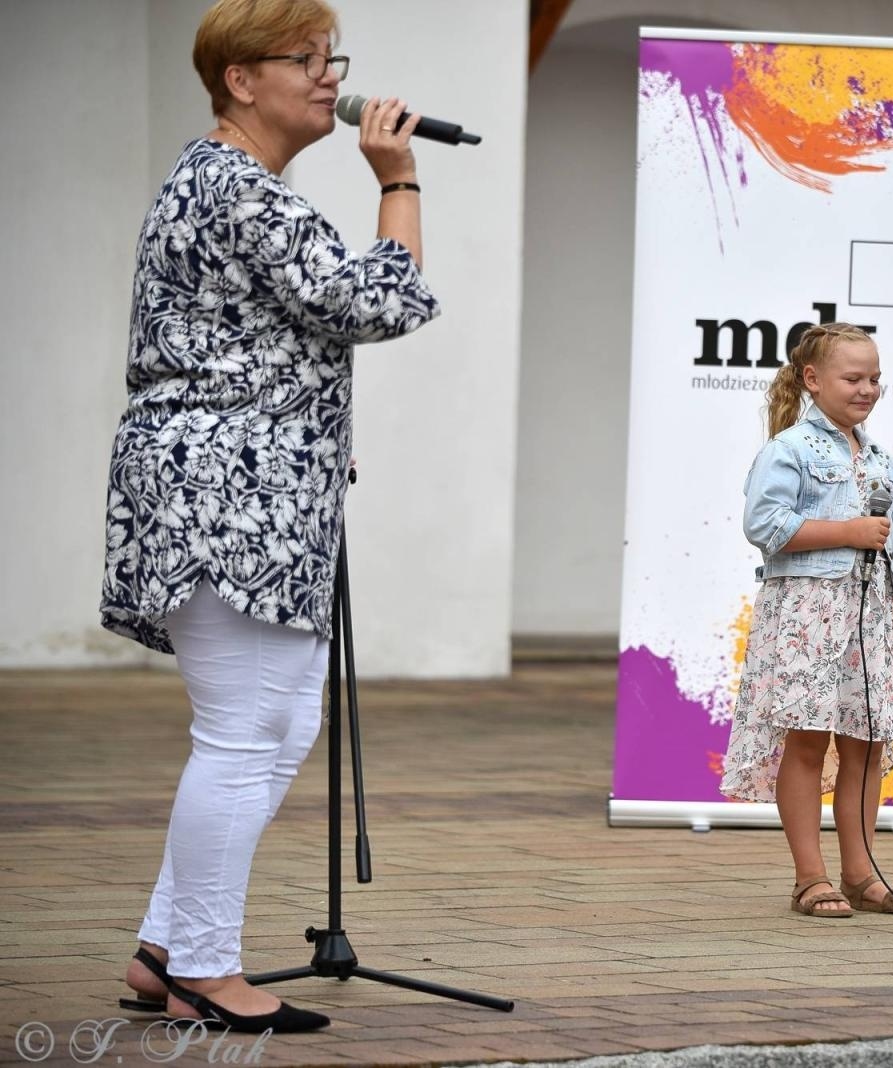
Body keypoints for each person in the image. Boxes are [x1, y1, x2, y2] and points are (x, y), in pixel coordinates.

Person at [101, 0, 440, 1034]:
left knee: (276, 724)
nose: (330, 79)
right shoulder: (237, 188)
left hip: (247, 496)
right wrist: (399, 180)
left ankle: (167, 948)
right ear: (241, 80)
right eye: (307, 60)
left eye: (332, 59)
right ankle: (205, 964)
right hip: (226, 498)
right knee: (245, 731)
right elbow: (376, 302)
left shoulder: (225, 184)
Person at [719, 323, 893, 917]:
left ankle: (862, 875)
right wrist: (848, 532)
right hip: (809, 618)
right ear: (813, 379)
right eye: (854, 378)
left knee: (865, 743)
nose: (868, 389)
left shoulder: (882, 460)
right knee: (807, 743)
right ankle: (809, 878)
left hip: (869, 621)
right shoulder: (787, 450)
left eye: (875, 379)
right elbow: (765, 526)